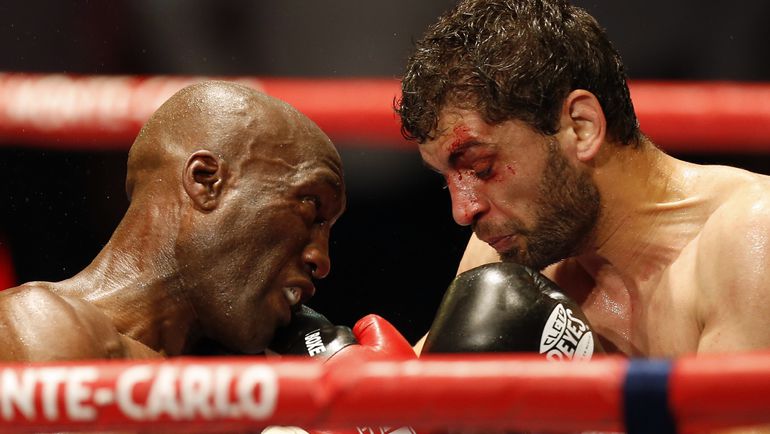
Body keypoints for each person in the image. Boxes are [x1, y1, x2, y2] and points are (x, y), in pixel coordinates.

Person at [398, 0, 770, 359]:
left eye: (482, 167)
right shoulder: (504, 261)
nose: (463, 211)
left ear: (581, 126)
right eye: (449, 181)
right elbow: (413, 408)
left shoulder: (748, 236)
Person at [0, 80, 350, 361]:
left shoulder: (249, 370)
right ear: (206, 181)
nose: (321, 260)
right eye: (309, 206)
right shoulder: (40, 327)